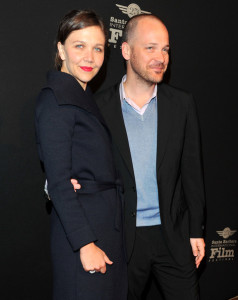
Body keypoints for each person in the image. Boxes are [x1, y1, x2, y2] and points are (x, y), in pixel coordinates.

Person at [72, 13, 206, 300]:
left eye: (166, 49)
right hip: (121, 240)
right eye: (150, 48)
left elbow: (192, 172)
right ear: (126, 51)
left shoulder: (181, 104)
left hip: (173, 237)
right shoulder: (98, 108)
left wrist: (196, 230)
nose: (161, 57)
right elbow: (82, 169)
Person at [35, 10, 127, 300]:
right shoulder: (56, 100)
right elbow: (60, 181)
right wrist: (85, 244)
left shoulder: (81, 96)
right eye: (79, 46)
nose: (90, 57)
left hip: (102, 229)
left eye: (97, 48)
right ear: (61, 49)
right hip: (83, 236)